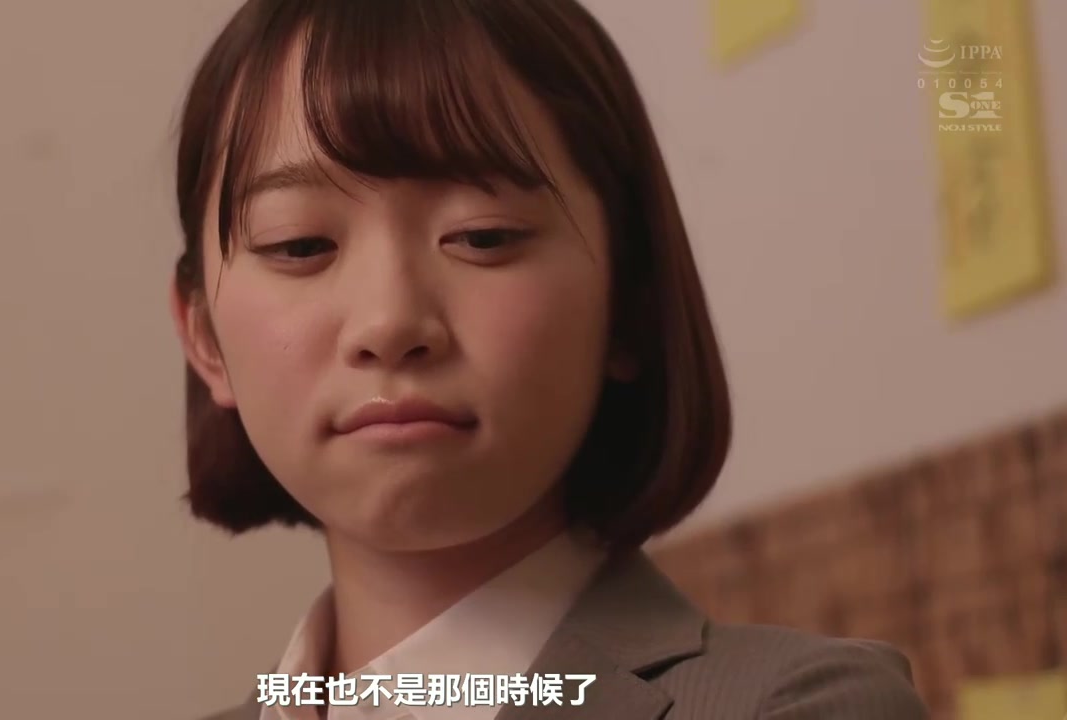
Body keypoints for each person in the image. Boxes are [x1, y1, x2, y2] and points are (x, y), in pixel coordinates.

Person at [169, 1, 929, 718]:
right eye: (300, 244)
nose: (390, 322)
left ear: (629, 303)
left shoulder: (795, 704)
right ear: (205, 338)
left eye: (484, 236)